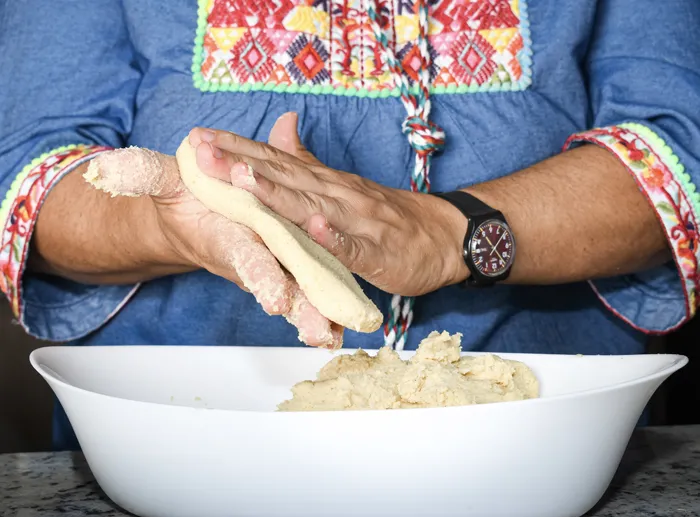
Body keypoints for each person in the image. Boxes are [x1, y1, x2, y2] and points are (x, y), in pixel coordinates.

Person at [1, 0, 699, 450]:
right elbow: (28, 178)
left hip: (544, 448)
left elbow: (683, 152)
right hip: (182, 447)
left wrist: (450, 232)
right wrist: (178, 225)